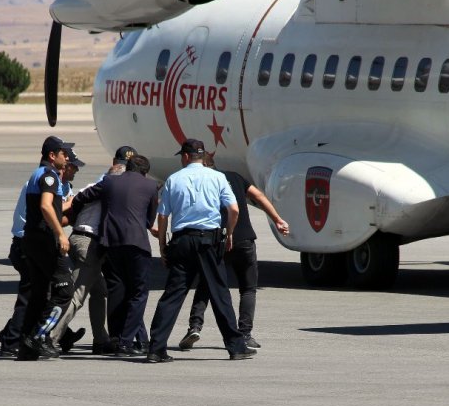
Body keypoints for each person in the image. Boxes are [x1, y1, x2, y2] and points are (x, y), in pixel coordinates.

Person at [146, 138, 257, 363]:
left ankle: (156, 349)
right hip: (210, 240)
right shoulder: (218, 177)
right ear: (202, 155)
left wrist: (162, 246)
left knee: (173, 295)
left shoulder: (173, 179)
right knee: (220, 293)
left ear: (186, 157)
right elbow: (233, 208)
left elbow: (163, 215)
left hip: (183, 241)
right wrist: (229, 232)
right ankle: (236, 347)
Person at [180, 151, 290, 351]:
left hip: (217, 239)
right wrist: (278, 219)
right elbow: (258, 196)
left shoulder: (203, 182)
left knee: (206, 285)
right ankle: (245, 333)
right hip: (245, 239)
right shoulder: (234, 177)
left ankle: (195, 326)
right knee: (248, 289)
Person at [71, 154, 158, 356]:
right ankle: (127, 342)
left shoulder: (110, 181)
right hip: (137, 243)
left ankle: (119, 338)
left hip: (111, 244)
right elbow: (149, 219)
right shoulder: (151, 186)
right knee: (138, 293)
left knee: (117, 291)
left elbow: (81, 197)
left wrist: (76, 215)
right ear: (145, 172)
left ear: (127, 167)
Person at [17, 135, 74, 361]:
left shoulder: (38, 174)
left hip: (31, 239)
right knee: (64, 291)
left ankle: (26, 344)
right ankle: (39, 336)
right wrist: (60, 234)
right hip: (44, 240)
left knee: (40, 293)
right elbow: (46, 206)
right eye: (64, 153)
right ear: (52, 156)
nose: (67, 157)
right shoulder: (49, 176)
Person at [0, 182, 30, 356]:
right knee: (30, 295)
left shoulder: (53, 182)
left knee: (42, 294)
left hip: (25, 244)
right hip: (27, 245)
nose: (75, 170)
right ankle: (11, 340)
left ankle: (9, 333)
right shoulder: (44, 181)